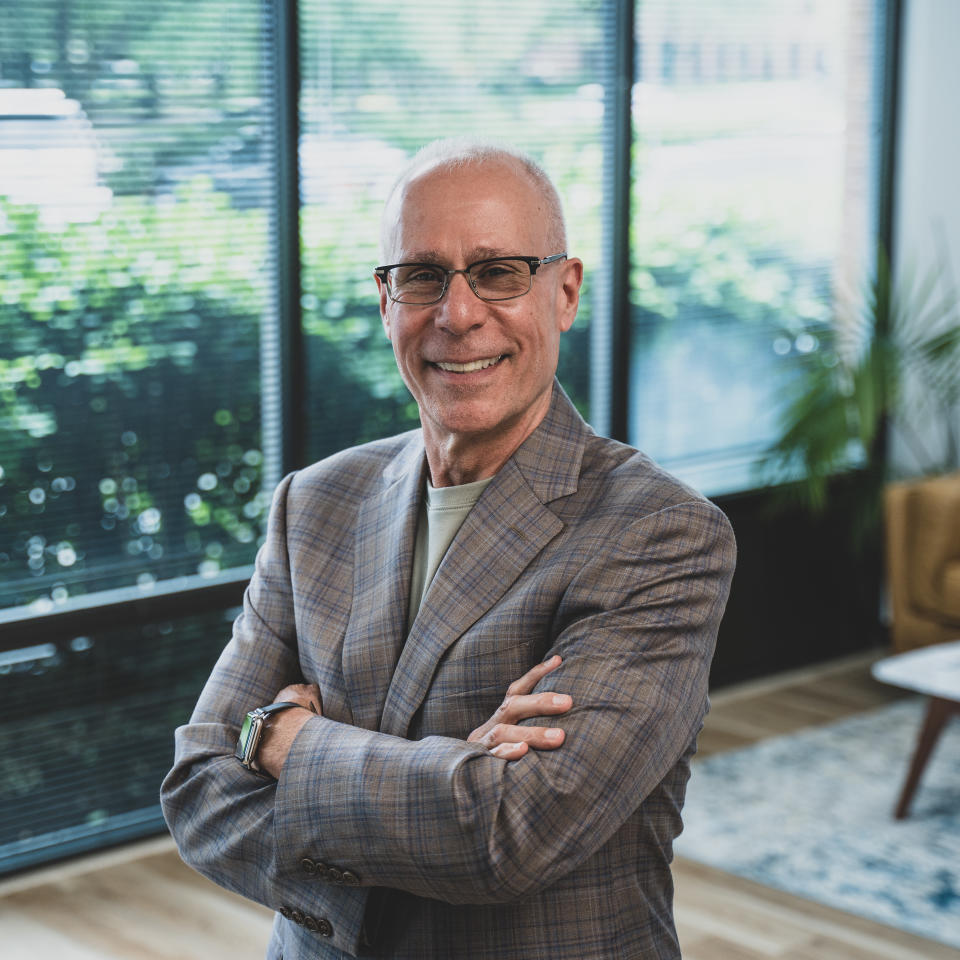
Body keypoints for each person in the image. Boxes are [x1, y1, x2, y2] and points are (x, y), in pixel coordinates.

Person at [161, 138, 736, 960]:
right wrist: (442, 787)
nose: (458, 314)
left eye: (499, 271)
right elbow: (199, 791)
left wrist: (286, 742)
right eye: (422, 276)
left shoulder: (660, 533)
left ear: (564, 292)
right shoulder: (314, 504)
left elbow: (510, 832)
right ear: (385, 300)